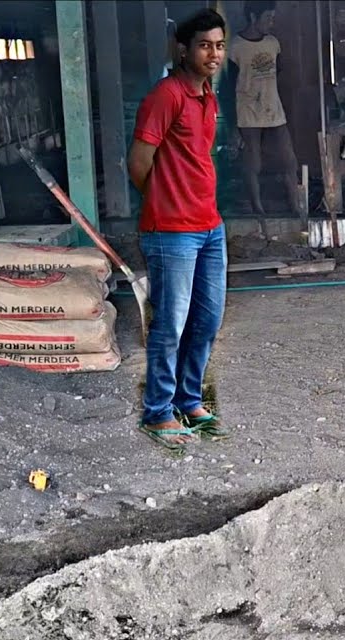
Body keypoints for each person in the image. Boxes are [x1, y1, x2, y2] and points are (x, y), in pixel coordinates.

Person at [128, 8, 232, 448]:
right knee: (171, 323)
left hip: (210, 226)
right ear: (184, 49)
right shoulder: (166, 96)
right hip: (172, 231)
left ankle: (189, 400)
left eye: (220, 45)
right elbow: (138, 163)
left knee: (207, 320)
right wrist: (163, 202)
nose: (213, 53)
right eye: (205, 45)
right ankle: (157, 411)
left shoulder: (208, 95)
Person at [228, 0, 303, 217]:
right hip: (248, 110)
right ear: (253, 17)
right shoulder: (236, 47)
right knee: (254, 162)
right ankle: (257, 208)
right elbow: (230, 84)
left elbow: (277, 70)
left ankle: (295, 206)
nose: (271, 22)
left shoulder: (272, 43)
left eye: (273, 17)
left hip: (273, 108)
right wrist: (233, 125)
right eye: (267, 18)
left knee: (289, 159)